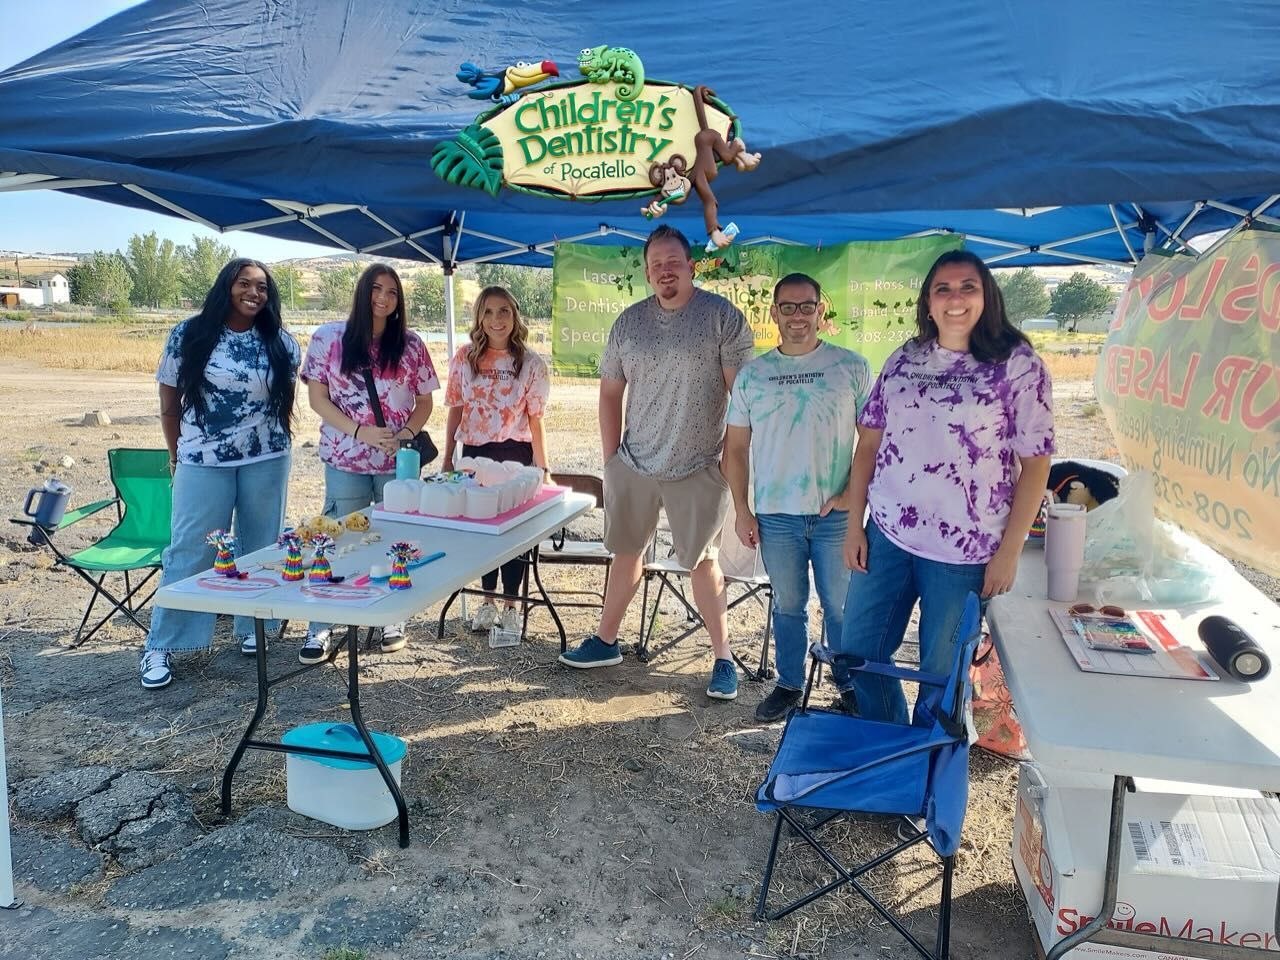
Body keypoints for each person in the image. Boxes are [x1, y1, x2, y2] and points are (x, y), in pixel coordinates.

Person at [837, 249, 1054, 723]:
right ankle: (889, 743)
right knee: (856, 649)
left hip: (965, 552)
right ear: (928, 303)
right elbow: (869, 445)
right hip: (888, 535)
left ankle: (928, 762)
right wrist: (856, 525)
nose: (955, 299)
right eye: (943, 289)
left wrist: (1010, 552)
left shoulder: (1017, 365)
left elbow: (1036, 466)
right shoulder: (905, 358)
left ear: (987, 297)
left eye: (967, 288)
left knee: (942, 671)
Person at [558, 225, 755, 702]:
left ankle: (723, 658)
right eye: (656, 264)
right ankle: (606, 641)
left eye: (673, 261)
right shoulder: (628, 323)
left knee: (702, 562)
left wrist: (727, 464)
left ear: (691, 266)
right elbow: (609, 392)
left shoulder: (722, 318)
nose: (665, 270)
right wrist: (611, 460)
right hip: (635, 463)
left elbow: (743, 401)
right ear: (646, 272)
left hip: (699, 467)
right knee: (625, 553)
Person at [140, 259, 300, 690]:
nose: (254, 292)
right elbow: (169, 399)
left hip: (266, 459)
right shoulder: (189, 334)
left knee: (261, 545)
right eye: (244, 283)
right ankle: (164, 644)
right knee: (191, 549)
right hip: (202, 460)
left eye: (262, 287)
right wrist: (177, 455)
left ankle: (255, 630)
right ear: (225, 286)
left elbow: (283, 403)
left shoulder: (282, 341)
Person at [723, 273, 872, 722]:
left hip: (834, 518)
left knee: (842, 606)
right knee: (788, 604)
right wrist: (742, 510)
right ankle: (788, 684)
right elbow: (734, 448)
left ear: (820, 311)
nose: (797, 316)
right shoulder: (754, 376)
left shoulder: (852, 367)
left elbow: (873, 442)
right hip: (776, 516)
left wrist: (851, 495)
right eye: (787, 307)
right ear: (773, 314)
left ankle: (850, 685)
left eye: (806, 306)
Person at [298, 263, 439, 661]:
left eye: (392, 292)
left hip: (396, 462)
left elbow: (425, 401)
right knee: (338, 537)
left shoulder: (411, 345)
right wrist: (359, 432)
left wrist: (407, 434)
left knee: (395, 536)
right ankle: (321, 624)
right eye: (376, 289)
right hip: (346, 459)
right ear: (363, 292)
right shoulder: (328, 339)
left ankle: (389, 617)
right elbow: (317, 398)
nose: (383, 298)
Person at [442, 286, 551, 634]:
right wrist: (447, 457)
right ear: (479, 318)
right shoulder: (464, 358)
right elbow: (456, 410)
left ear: (514, 315)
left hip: (515, 456)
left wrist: (542, 468)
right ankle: (486, 602)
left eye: (503, 311)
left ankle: (511, 607)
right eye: (488, 312)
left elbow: (536, 419)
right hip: (474, 455)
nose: (496, 319)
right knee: (483, 533)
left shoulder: (531, 364)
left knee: (514, 535)